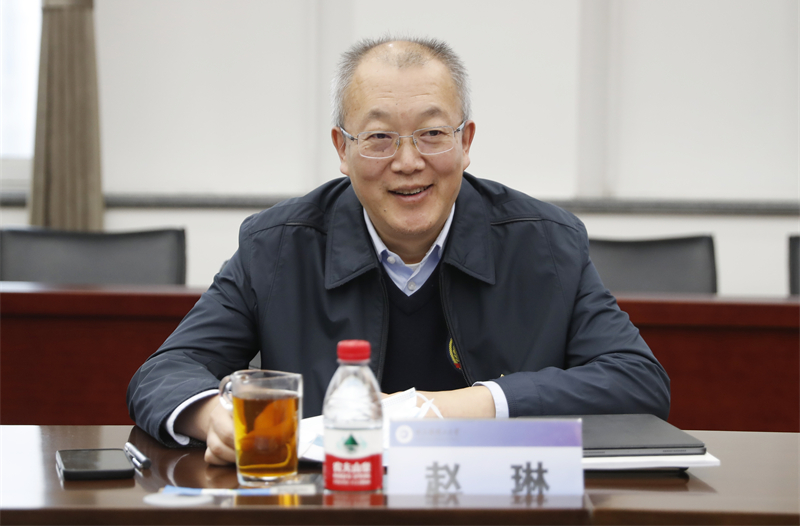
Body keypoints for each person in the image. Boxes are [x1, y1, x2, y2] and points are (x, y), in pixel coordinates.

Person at [127, 36, 670, 466]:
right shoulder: (277, 246)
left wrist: (461, 406)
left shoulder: (546, 244)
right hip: (328, 507)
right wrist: (212, 416)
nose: (408, 162)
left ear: (466, 142)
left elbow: (637, 380)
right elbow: (167, 369)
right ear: (342, 149)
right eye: (379, 138)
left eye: (432, 133)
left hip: (494, 505)